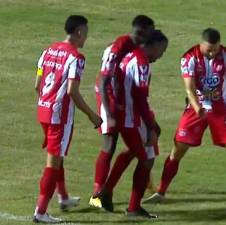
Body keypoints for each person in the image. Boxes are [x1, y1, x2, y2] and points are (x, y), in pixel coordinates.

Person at [144, 28, 226, 207]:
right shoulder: (189, 57)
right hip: (194, 110)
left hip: (220, 110)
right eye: (209, 49)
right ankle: (161, 191)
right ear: (201, 45)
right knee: (177, 151)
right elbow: (189, 88)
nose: (213, 52)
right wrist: (198, 107)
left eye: (215, 49)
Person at [33, 15, 102, 223]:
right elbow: (72, 91)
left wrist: (46, 102)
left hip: (43, 111)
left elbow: (37, 83)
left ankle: (63, 198)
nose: (86, 38)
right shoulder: (76, 58)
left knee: (57, 157)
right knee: (52, 164)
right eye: (86, 33)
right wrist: (93, 115)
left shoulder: (47, 51)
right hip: (59, 118)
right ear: (79, 32)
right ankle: (41, 211)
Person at [98, 30, 168, 218]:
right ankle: (131, 206)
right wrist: (151, 126)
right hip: (132, 117)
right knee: (147, 159)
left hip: (124, 113)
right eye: (160, 51)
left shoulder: (128, 55)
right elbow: (139, 98)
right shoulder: (141, 63)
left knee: (135, 153)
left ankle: (108, 191)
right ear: (152, 45)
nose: (160, 56)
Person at [90, 15, 156, 207]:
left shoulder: (135, 49)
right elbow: (104, 81)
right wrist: (109, 114)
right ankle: (97, 193)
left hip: (121, 98)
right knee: (109, 143)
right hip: (107, 96)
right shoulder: (117, 47)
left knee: (126, 144)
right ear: (142, 30)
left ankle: (106, 192)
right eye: (151, 31)